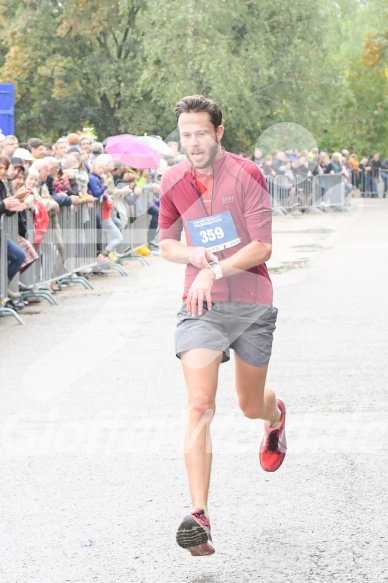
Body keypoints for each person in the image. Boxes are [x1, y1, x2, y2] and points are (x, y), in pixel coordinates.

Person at [159, 95, 286, 557]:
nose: (191, 142)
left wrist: (217, 268)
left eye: (199, 133)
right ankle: (199, 514)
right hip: (201, 304)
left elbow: (261, 248)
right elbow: (167, 242)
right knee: (198, 403)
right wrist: (194, 258)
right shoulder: (173, 180)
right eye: (184, 134)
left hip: (251, 304)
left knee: (250, 405)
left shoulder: (247, 175)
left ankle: (275, 419)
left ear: (218, 132)